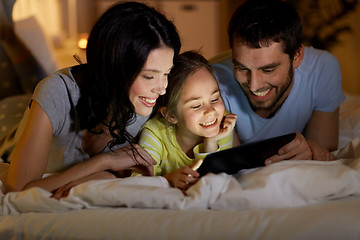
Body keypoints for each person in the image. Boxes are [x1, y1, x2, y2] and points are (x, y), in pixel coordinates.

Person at [0, 1, 181, 194]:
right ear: (113, 67)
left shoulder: (147, 102)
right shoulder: (56, 92)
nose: (162, 88)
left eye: (166, 73)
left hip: (66, 102)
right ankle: (9, 35)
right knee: (23, 85)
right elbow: (18, 190)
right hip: (9, 120)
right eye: (149, 76)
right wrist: (104, 162)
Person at [211, 0, 344, 164]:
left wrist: (310, 150)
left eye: (268, 70)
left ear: (296, 56)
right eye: (242, 68)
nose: (254, 85)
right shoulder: (212, 81)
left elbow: (322, 154)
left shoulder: (322, 68)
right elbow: (228, 165)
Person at [137, 51, 238, 191]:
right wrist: (169, 179)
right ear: (171, 115)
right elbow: (136, 183)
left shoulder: (222, 124)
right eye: (196, 105)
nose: (211, 111)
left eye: (215, 99)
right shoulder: (154, 134)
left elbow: (220, 178)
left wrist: (211, 142)